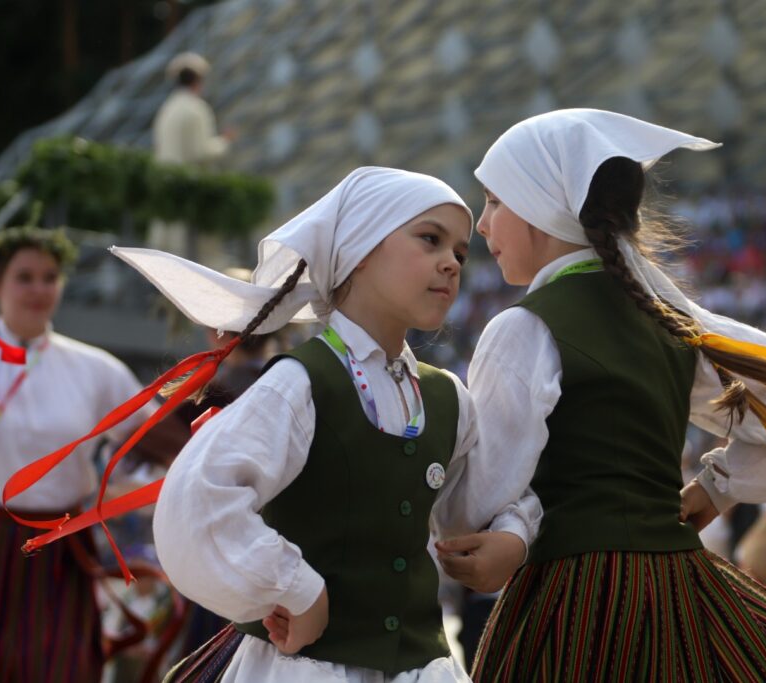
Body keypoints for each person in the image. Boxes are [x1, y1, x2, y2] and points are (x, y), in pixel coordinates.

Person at [433, 109, 766, 681]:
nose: (483, 226)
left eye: (494, 201)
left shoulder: (523, 328)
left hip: (577, 602)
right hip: (681, 584)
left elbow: (472, 507)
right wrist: (717, 488)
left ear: (543, 203)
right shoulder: (665, 318)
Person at [111, 167, 540, 682]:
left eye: (461, 253)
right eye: (430, 239)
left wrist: (512, 535)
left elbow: (477, 505)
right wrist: (296, 588)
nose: (451, 262)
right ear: (359, 249)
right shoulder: (300, 383)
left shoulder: (448, 397)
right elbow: (198, 500)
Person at [0, 227, 155, 683]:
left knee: (63, 669)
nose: (39, 289)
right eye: (25, 277)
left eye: (50, 277)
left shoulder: (95, 369)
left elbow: (156, 438)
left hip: (62, 549)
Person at [151, 52, 235, 255]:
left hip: (166, 188)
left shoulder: (166, 109)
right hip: (190, 194)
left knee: (167, 253)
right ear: (198, 80)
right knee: (193, 257)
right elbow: (200, 152)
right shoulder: (196, 109)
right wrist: (224, 142)